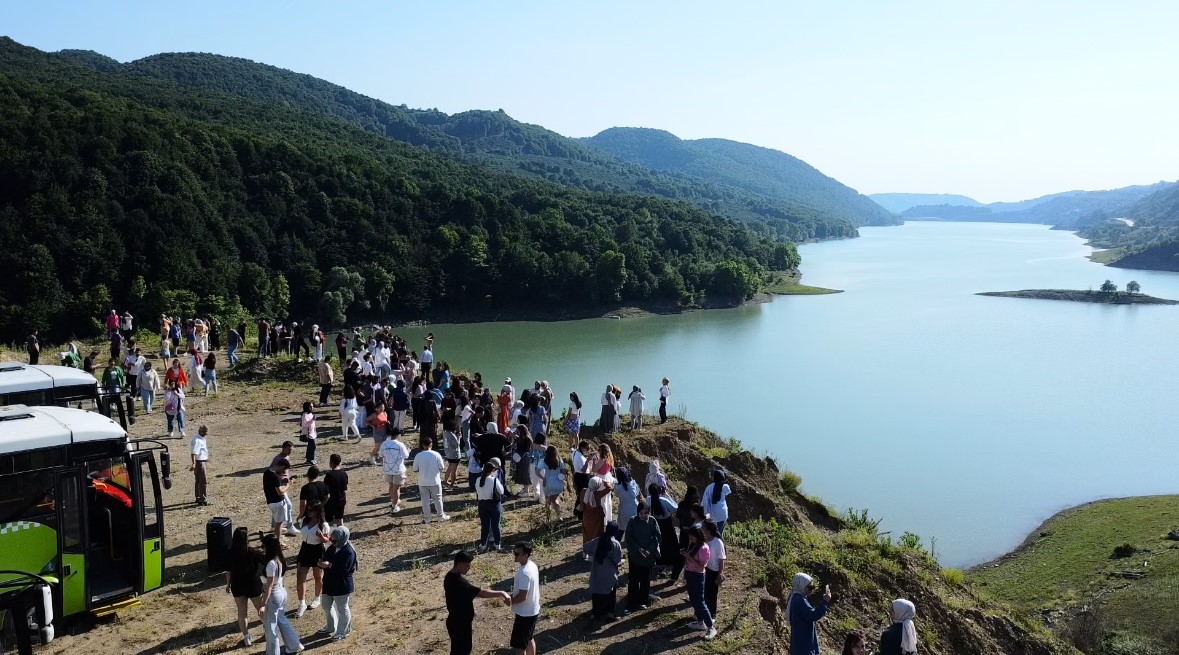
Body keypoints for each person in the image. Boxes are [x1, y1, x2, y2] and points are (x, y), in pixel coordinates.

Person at [445, 551, 513, 655]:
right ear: (459, 564)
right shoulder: (458, 582)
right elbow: (482, 593)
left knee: (457, 650)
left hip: (456, 622)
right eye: (467, 565)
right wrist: (502, 593)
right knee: (462, 650)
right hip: (460, 624)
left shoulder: (449, 576)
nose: (469, 567)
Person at [259, 534, 303, 655]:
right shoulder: (279, 559)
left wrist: (263, 604)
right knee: (282, 620)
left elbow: (269, 586)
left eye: (263, 546)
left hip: (273, 595)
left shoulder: (271, 564)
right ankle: (294, 645)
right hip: (281, 592)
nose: (262, 549)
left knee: (271, 627)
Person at [224, 527, 265, 646]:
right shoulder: (252, 552)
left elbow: (228, 572)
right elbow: (265, 560)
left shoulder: (230, 553)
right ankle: (268, 629)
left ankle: (247, 637)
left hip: (237, 585)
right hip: (253, 584)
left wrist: (228, 585)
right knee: (261, 609)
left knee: (242, 613)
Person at [315, 526, 357, 641]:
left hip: (342, 584)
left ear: (342, 539)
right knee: (326, 605)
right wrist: (321, 563)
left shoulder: (348, 552)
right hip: (329, 582)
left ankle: (343, 631)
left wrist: (329, 565)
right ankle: (330, 626)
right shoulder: (332, 548)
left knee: (342, 608)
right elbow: (326, 559)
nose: (332, 542)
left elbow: (344, 570)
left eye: (334, 540)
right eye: (331, 540)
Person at [623, 501, 661, 614]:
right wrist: (638, 549)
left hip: (648, 557)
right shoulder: (632, 521)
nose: (643, 515)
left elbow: (657, 537)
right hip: (635, 556)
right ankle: (631, 604)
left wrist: (649, 550)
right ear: (638, 512)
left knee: (645, 580)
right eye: (641, 513)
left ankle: (642, 601)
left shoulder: (652, 521)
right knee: (633, 581)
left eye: (645, 513)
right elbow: (628, 538)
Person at [681, 526, 717, 640]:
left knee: (700, 602)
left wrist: (688, 557)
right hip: (691, 574)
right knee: (693, 598)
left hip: (698, 576)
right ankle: (700, 622)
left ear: (698, 536)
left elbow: (701, 566)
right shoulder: (694, 545)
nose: (691, 539)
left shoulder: (704, 548)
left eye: (692, 536)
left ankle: (711, 627)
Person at [583, 521, 623, 622]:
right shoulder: (616, 544)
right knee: (610, 596)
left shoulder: (598, 540)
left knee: (596, 596)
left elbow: (585, 548)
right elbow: (617, 561)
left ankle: (595, 615)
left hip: (596, 575)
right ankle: (610, 615)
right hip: (610, 576)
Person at [295, 502, 330, 618]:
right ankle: (302, 603)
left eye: (311, 511)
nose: (309, 513)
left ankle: (317, 598)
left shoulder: (323, 525)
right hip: (305, 549)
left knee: (317, 576)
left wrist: (321, 537)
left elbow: (326, 540)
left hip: (316, 549)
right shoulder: (305, 520)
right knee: (300, 576)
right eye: (308, 510)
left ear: (318, 511)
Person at [787, 572, 832, 655]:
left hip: (800, 641)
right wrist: (825, 601)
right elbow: (813, 615)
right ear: (802, 585)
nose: (812, 590)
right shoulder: (800, 600)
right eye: (810, 587)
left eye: (813, 587)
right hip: (804, 644)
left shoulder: (795, 597)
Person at [510, 542, 541, 655]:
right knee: (529, 638)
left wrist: (509, 600)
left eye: (517, 553)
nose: (515, 555)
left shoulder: (524, 572)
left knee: (519, 646)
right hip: (531, 610)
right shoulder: (532, 565)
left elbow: (523, 596)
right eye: (514, 552)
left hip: (525, 614)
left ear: (525, 555)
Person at [414, 436, 449, 524]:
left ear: (422, 445)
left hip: (423, 481)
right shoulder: (436, 454)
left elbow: (415, 469)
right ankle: (440, 516)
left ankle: (427, 519)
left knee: (425, 501)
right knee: (438, 499)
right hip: (435, 481)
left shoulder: (418, 455)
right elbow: (442, 467)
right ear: (431, 444)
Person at [648, 484, 681, 579]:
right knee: (672, 543)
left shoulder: (649, 500)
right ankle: (672, 561)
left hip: (657, 524)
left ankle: (660, 562)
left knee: (661, 543)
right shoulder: (663, 500)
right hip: (667, 524)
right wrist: (668, 496)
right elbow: (675, 508)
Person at [264, 458, 300, 540]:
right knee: (279, 524)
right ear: (282, 467)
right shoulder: (275, 477)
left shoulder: (267, 472)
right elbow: (280, 492)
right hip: (278, 503)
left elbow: (271, 486)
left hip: (270, 502)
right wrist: (288, 485)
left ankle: (278, 538)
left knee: (278, 523)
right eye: (284, 470)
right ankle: (278, 541)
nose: (283, 472)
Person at [474, 459, 506, 552]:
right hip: (494, 505)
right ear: (492, 471)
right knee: (496, 525)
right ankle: (497, 544)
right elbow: (501, 491)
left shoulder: (478, 480)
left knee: (485, 526)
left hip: (482, 505)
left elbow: (477, 491)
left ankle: (483, 544)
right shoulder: (494, 480)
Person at [380, 429, 411, 514]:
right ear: (398, 435)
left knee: (390, 486)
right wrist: (408, 451)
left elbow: (381, 456)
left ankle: (393, 500)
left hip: (387, 469)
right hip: (398, 470)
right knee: (396, 488)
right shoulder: (400, 445)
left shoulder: (384, 443)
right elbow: (406, 456)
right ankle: (394, 506)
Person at [581, 476, 613, 553]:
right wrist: (604, 481)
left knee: (587, 534)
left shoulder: (583, 491)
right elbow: (609, 488)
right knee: (596, 534)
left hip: (586, 516)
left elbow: (581, 504)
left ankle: (586, 551)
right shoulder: (597, 494)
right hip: (596, 518)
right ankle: (596, 550)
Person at [702, 520, 726, 619]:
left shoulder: (717, 542)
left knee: (712, 594)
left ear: (708, 530)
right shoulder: (706, 539)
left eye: (703, 528)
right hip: (706, 568)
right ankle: (705, 613)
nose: (701, 529)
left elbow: (721, 559)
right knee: (705, 592)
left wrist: (720, 573)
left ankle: (712, 615)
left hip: (714, 571)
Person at [539, 445, 567, 520]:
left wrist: (543, 478)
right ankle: (559, 514)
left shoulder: (543, 461)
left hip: (548, 482)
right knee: (555, 499)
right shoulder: (559, 460)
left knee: (548, 500)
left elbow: (537, 472)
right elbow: (564, 471)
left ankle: (548, 517)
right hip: (557, 482)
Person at [703, 469, 733, 536]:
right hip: (722, 513)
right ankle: (721, 545)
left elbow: (705, 503)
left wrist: (706, 516)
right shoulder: (725, 486)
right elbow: (730, 499)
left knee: (712, 534)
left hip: (711, 515)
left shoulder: (709, 487)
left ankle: (714, 545)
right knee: (720, 534)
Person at [324, 454, 348, 527]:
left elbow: (326, 493)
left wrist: (323, 504)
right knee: (340, 520)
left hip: (332, 501)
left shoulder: (329, 475)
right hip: (342, 499)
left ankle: (329, 536)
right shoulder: (344, 474)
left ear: (331, 462)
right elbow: (345, 488)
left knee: (328, 521)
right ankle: (342, 536)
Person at [188, 425, 210, 505]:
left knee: (198, 481)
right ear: (200, 430)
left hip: (201, 461)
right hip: (199, 462)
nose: (206, 433)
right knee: (203, 481)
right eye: (204, 431)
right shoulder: (197, 440)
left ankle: (198, 497)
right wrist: (194, 463)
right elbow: (193, 453)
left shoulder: (201, 438)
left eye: (206, 431)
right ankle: (202, 499)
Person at [614, 467, 640, 534]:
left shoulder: (617, 487)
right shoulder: (632, 484)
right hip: (634, 508)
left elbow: (617, 495)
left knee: (624, 527)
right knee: (635, 527)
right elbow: (636, 493)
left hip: (623, 509)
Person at [571, 440, 592, 520]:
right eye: (587, 448)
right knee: (583, 496)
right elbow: (583, 470)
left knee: (580, 495)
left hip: (579, 476)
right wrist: (588, 461)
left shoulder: (576, 452)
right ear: (582, 447)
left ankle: (576, 511)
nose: (588, 451)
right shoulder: (579, 457)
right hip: (582, 477)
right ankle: (580, 514)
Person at [300, 401, 318, 466]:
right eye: (310, 406)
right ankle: (312, 460)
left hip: (312, 433)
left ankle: (308, 459)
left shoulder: (310, 414)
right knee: (313, 447)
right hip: (309, 434)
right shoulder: (305, 415)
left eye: (312, 406)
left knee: (310, 447)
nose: (312, 408)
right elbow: (305, 424)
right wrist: (312, 420)